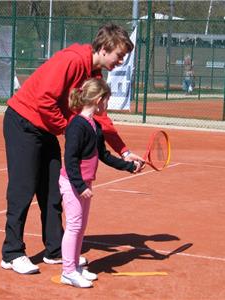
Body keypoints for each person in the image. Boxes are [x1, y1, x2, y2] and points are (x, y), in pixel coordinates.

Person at [0, 23, 144, 275]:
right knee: (23, 189)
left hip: (45, 129)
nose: (120, 61)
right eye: (119, 55)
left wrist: (123, 151)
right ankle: (12, 253)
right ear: (105, 47)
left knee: (52, 191)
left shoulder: (95, 77)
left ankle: (55, 250)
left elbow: (101, 120)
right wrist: (70, 129)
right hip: (23, 122)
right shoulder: (72, 60)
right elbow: (45, 98)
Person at [59, 78, 142, 288]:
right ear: (98, 100)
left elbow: (103, 155)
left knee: (81, 227)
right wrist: (80, 186)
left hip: (84, 183)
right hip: (73, 183)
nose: (107, 105)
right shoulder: (76, 125)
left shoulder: (94, 125)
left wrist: (128, 166)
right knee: (74, 226)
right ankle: (67, 271)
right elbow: (70, 160)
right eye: (106, 101)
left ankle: (75, 267)